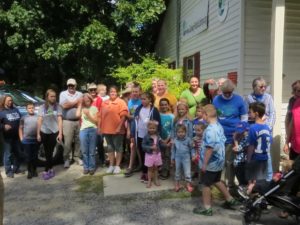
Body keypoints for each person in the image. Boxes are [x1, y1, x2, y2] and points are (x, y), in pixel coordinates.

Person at [193, 104, 238, 216]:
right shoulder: (218, 125)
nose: (202, 116)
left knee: (205, 184)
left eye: (202, 114)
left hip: (210, 163)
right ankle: (230, 200)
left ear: (206, 115)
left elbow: (209, 148)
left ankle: (207, 208)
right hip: (219, 162)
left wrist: (204, 164)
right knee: (216, 180)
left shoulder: (210, 130)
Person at [213, 79, 248, 191]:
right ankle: (220, 182)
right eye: (225, 93)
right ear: (221, 91)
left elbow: (244, 117)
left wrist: (240, 131)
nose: (227, 95)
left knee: (230, 161)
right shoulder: (216, 100)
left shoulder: (238, 99)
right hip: (220, 134)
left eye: (230, 93)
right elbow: (215, 116)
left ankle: (230, 184)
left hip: (235, 135)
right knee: (220, 159)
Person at [244, 77, 276, 182]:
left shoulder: (268, 97)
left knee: (266, 154)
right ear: (254, 87)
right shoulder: (249, 98)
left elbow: (272, 114)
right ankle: (255, 180)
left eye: (265, 86)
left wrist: (268, 127)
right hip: (253, 129)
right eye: (261, 86)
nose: (263, 88)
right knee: (253, 153)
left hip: (265, 130)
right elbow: (245, 114)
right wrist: (247, 128)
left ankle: (269, 178)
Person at [239, 102, 271, 197]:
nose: (249, 114)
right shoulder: (267, 127)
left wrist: (248, 159)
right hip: (264, 158)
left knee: (252, 181)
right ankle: (259, 200)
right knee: (260, 181)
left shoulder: (253, 128)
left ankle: (249, 197)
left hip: (255, 158)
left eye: (250, 112)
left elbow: (251, 146)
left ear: (256, 113)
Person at [131, 92, 161, 182]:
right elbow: (134, 122)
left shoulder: (154, 110)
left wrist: (157, 135)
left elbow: (158, 124)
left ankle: (152, 173)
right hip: (140, 135)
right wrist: (133, 134)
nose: (142, 101)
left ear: (150, 100)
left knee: (151, 154)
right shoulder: (138, 109)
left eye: (144, 99)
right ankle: (144, 173)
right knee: (143, 154)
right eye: (142, 99)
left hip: (150, 137)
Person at [99, 86, 128, 174]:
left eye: (114, 92)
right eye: (111, 91)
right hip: (106, 130)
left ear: (117, 93)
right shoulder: (104, 103)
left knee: (118, 148)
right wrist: (99, 127)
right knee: (110, 148)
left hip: (117, 130)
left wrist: (119, 127)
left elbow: (123, 116)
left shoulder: (121, 102)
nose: (113, 93)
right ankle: (111, 165)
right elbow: (100, 116)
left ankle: (117, 166)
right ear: (108, 93)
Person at [37, 89, 63, 180]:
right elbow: (39, 120)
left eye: (55, 96)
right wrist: (38, 133)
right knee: (47, 151)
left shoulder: (58, 107)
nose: (53, 98)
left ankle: (46, 170)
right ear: (47, 97)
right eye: (51, 96)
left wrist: (60, 133)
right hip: (44, 131)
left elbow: (60, 120)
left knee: (50, 151)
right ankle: (50, 168)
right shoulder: (42, 107)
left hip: (54, 131)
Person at [59, 78, 83, 168]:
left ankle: (77, 157)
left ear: (75, 85)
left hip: (78, 121)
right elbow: (64, 106)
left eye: (72, 85)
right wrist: (77, 102)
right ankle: (67, 159)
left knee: (78, 141)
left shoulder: (80, 94)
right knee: (67, 142)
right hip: (67, 121)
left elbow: (81, 104)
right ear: (67, 85)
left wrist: (70, 103)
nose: (71, 87)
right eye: (69, 85)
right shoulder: (63, 94)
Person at [76, 93, 98, 175]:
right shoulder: (82, 108)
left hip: (93, 129)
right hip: (83, 130)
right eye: (85, 101)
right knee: (84, 151)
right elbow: (77, 115)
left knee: (92, 151)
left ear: (90, 100)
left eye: (88, 100)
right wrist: (80, 104)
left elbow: (96, 121)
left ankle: (92, 167)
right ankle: (86, 167)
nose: (86, 102)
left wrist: (88, 114)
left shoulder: (94, 108)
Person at [0, 95, 22, 178]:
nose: (11, 102)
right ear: (4, 101)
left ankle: (16, 168)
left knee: (18, 153)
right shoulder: (1, 111)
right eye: (9, 100)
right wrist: (3, 126)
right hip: (7, 137)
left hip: (16, 136)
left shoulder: (15, 109)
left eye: (11, 100)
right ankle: (8, 171)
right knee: (8, 154)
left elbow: (21, 119)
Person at [125, 82, 142, 177]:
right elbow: (129, 117)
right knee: (133, 146)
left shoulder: (142, 101)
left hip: (142, 128)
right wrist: (128, 130)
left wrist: (134, 116)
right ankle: (130, 166)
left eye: (137, 91)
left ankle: (141, 165)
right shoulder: (130, 102)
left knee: (140, 147)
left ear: (140, 92)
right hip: (133, 127)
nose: (135, 93)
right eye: (133, 92)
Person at [171, 124, 195, 192]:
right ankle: (177, 184)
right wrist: (172, 158)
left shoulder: (188, 140)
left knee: (187, 172)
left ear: (185, 132)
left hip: (186, 158)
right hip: (177, 158)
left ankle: (188, 185)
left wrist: (193, 155)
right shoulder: (175, 140)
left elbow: (192, 148)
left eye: (182, 132)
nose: (180, 134)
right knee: (177, 171)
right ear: (176, 133)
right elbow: (173, 150)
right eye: (179, 132)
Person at [19, 102, 39, 179]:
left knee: (35, 156)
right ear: (26, 109)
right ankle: (29, 171)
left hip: (35, 140)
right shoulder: (24, 118)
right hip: (26, 140)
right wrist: (21, 138)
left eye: (32, 108)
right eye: (29, 108)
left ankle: (34, 170)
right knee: (28, 157)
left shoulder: (37, 117)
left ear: (34, 108)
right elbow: (20, 128)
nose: (31, 109)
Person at [142, 120, 163, 188]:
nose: (152, 129)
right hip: (149, 155)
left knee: (156, 168)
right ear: (147, 128)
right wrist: (151, 147)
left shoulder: (158, 136)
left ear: (156, 128)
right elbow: (143, 145)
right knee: (150, 169)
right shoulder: (146, 136)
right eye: (150, 128)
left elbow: (161, 144)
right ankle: (149, 181)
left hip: (157, 154)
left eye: (153, 128)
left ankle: (156, 180)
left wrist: (167, 145)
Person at [87, 83, 104, 166]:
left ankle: (102, 160)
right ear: (88, 91)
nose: (93, 91)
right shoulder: (86, 99)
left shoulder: (99, 99)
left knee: (99, 143)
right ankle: (90, 162)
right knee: (89, 144)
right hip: (87, 124)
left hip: (97, 124)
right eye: (91, 90)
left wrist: (100, 126)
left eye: (94, 89)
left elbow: (101, 113)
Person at [158, 98, 174, 179]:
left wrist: (167, 139)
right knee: (160, 155)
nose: (164, 106)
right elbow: (156, 128)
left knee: (167, 155)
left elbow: (172, 129)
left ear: (168, 105)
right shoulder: (157, 115)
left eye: (165, 104)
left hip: (168, 140)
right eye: (162, 105)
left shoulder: (171, 116)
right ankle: (161, 168)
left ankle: (166, 171)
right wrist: (161, 139)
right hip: (159, 140)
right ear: (159, 106)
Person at [232, 121, 249, 186]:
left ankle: (244, 189)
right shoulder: (240, 136)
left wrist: (235, 141)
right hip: (239, 162)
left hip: (242, 162)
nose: (239, 132)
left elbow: (238, 149)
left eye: (241, 131)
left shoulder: (247, 138)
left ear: (246, 130)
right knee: (241, 180)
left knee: (243, 180)